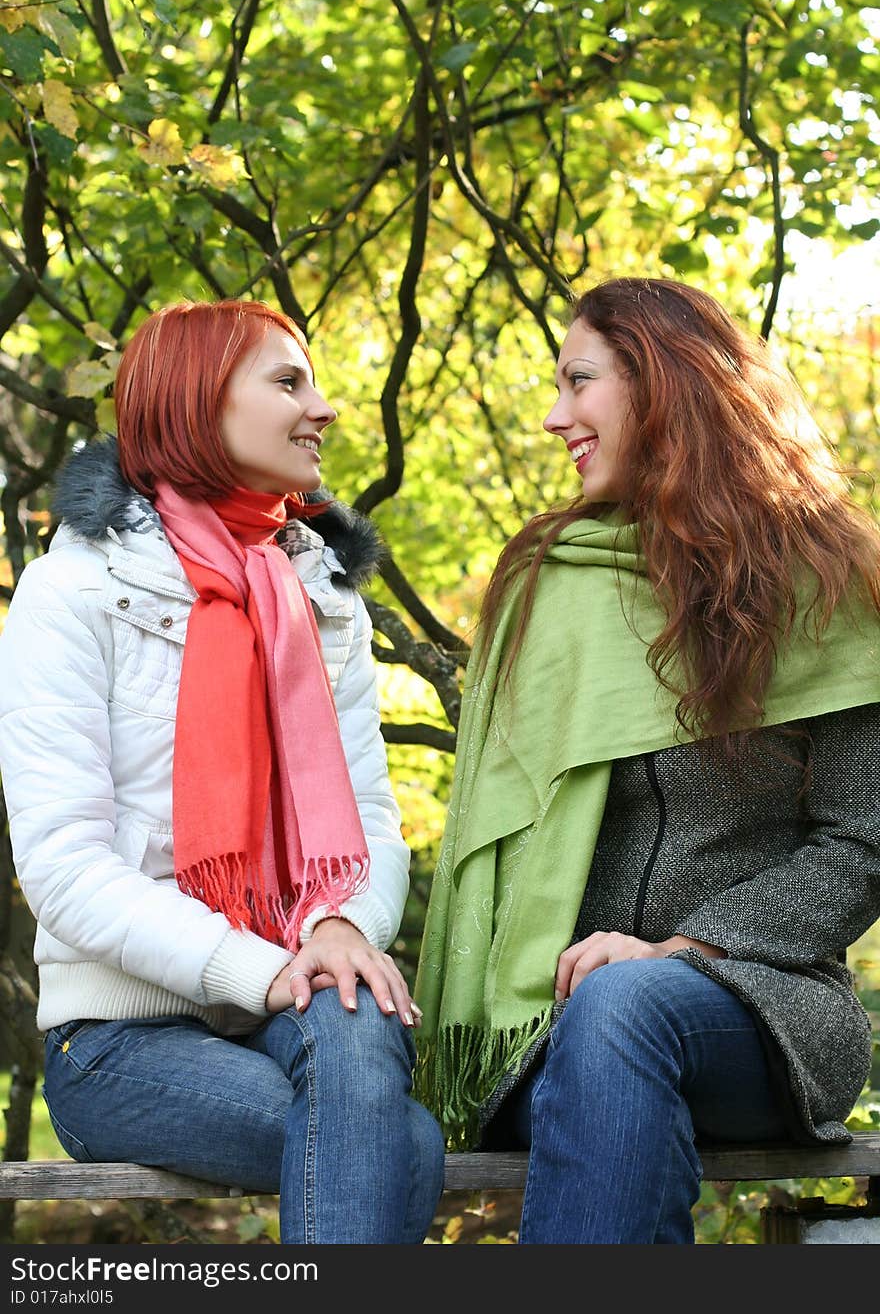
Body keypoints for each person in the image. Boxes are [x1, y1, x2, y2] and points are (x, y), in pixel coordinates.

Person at [414, 276, 880, 1244]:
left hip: (769, 1009)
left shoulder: (829, 583)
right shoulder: (550, 583)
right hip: (546, 1017)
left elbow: (861, 842)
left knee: (625, 1005)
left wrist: (687, 947)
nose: (553, 418)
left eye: (577, 381)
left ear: (662, 384)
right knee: (607, 1026)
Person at [0, 299, 445, 1245]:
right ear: (200, 405)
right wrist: (262, 969)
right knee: (394, 1139)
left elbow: (369, 817)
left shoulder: (323, 599)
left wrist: (333, 928)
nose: (321, 408)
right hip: (122, 1041)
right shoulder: (72, 594)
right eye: (288, 382)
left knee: (361, 1027)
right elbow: (63, 866)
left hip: (297, 997)